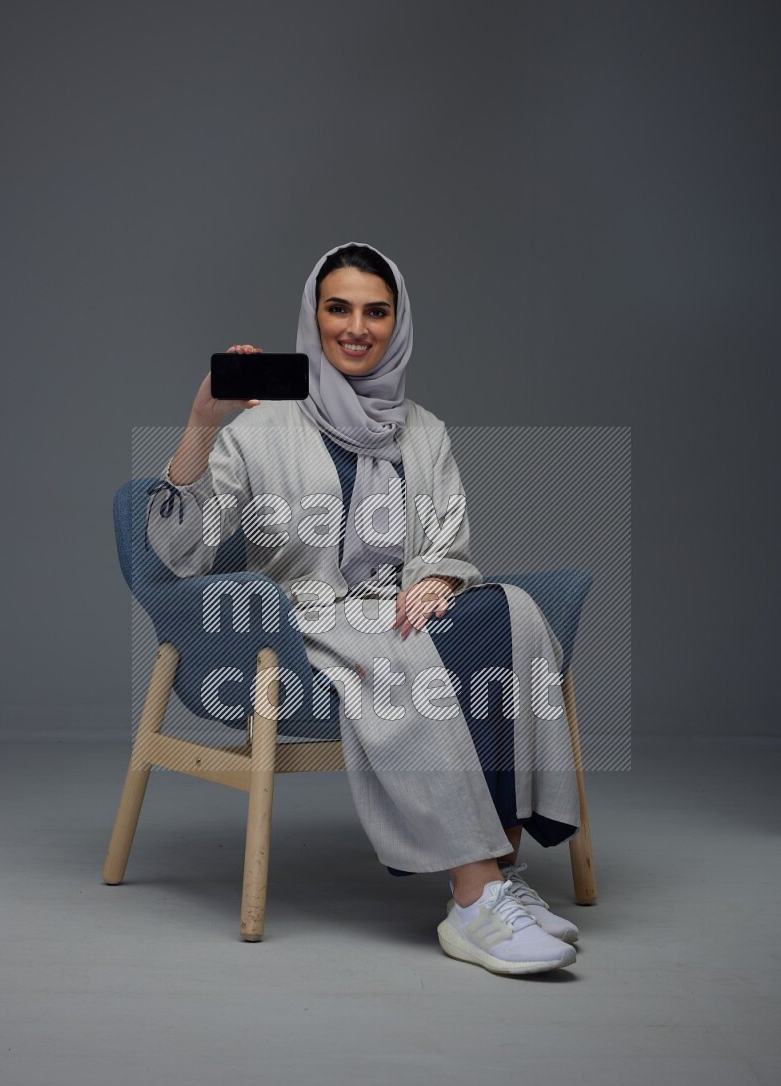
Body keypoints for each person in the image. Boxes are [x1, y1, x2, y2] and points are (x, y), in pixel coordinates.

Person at [145, 241, 582, 977]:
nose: (356, 326)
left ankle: (501, 870)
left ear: (397, 322)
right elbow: (179, 552)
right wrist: (202, 423)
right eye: (338, 308)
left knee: (513, 613)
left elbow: (447, 541)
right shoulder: (258, 430)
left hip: (399, 610)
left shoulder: (426, 431)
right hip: (303, 623)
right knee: (405, 652)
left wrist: (439, 581)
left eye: (376, 311)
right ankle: (473, 899)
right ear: (312, 319)